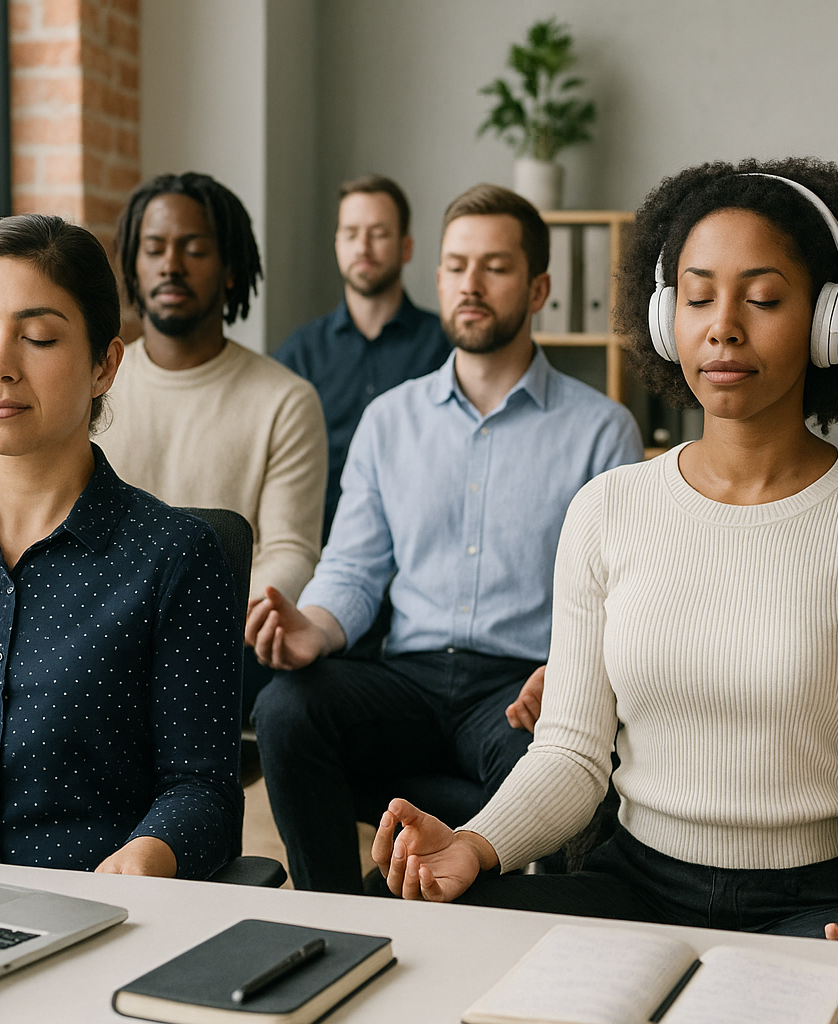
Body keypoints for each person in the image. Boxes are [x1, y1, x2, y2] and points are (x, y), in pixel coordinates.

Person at [370, 159, 838, 947]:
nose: (723, 326)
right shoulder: (609, 509)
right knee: (451, 943)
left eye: (765, 297)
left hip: (813, 905)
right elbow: (572, 753)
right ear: (663, 319)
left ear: (829, 321)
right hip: (633, 885)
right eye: (698, 295)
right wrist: (475, 843)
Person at [247, 184, 642, 895]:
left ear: (538, 286)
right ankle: (335, 918)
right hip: (409, 678)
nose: (471, 283)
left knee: (568, 764)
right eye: (457, 265)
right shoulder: (388, 420)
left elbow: (621, 597)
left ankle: (505, 925)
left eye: (495, 266)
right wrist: (314, 627)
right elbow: (356, 569)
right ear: (436, 278)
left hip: (519, 685)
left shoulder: (601, 429)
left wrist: (574, 673)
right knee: (285, 706)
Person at [0, 213, 242, 879]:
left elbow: (203, 791)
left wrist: (151, 853)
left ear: (104, 366)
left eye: (37, 338)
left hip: (92, 915)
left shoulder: (175, 559)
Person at [99, 172, 329, 716]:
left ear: (230, 270)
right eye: (153, 249)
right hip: (98, 633)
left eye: (194, 249)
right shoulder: (91, 389)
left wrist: (208, 620)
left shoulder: (286, 400)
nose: (170, 264)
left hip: (218, 646)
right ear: (133, 266)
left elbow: (291, 550)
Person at [275, 174, 452, 538]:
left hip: (420, 543)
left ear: (406, 248)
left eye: (379, 233)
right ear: (337, 244)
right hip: (320, 545)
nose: (363, 247)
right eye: (351, 234)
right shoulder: (300, 352)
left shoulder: (446, 346)